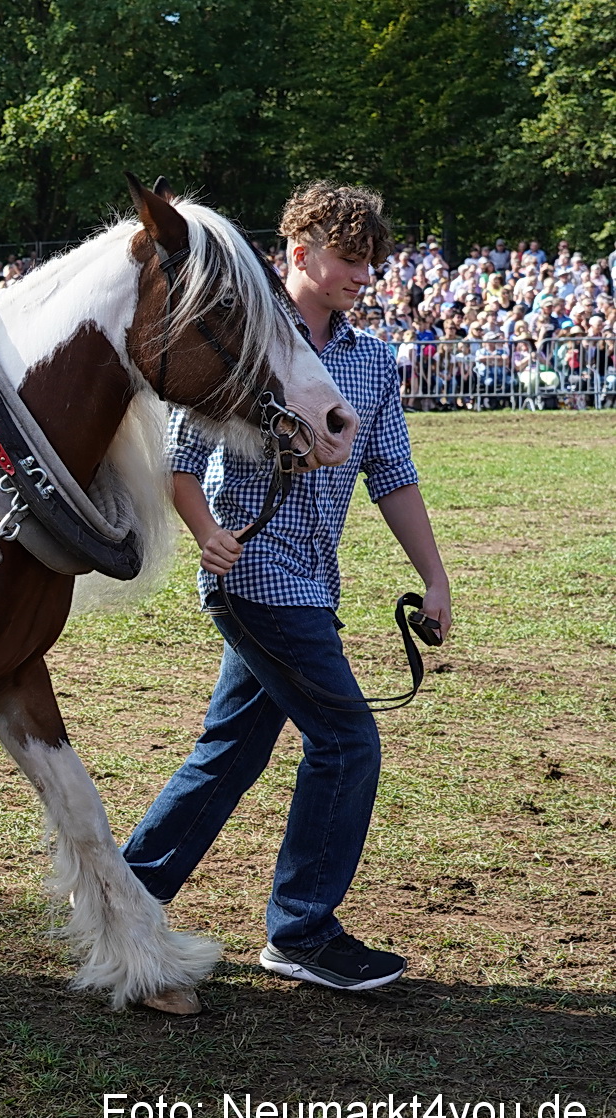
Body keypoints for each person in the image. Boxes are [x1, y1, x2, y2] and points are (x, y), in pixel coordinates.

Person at [120, 181, 453, 993]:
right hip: (256, 577)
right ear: (298, 253)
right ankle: (302, 929)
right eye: (348, 258)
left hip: (314, 582)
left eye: (370, 262)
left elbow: (394, 475)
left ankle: (123, 890)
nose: (361, 276)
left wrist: (434, 575)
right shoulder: (240, 342)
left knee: (232, 748)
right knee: (346, 741)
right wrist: (206, 533)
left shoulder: (371, 361)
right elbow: (181, 464)